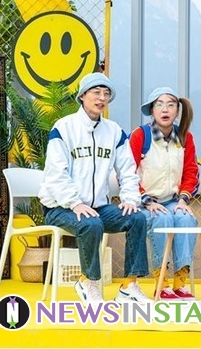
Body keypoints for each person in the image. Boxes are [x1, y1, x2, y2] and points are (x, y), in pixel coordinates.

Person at [39, 72, 151, 305]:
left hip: (97, 207)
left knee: (137, 217)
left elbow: (128, 170)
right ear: (82, 96)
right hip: (60, 207)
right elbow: (55, 173)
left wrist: (130, 199)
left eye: (106, 94)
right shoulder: (64, 128)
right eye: (96, 92)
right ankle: (88, 282)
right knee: (92, 223)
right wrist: (75, 203)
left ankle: (129, 286)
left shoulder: (114, 131)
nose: (101, 98)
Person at [129, 87, 199, 301]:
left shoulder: (185, 137)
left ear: (177, 110)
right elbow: (127, 172)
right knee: (162, 218)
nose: (165, 109)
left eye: (170, 105)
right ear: (152, 111)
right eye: (159, 105)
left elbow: (191, 172)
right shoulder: (141, 135)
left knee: (186, 219)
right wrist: (146, 201)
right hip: (144, 201)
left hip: (173, 200)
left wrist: (184, 199)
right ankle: (162, 283)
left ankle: (180, 282)